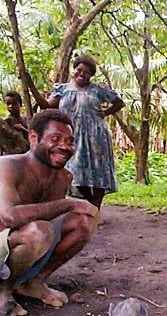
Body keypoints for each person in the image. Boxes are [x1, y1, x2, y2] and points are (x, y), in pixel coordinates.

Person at [0, 109, 99, 316]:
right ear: (33, 138)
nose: (64, 146)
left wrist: (75, 209)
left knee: (83, 221)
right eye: (55, 139)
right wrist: (69, 204)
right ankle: (1, 292)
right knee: (40, 231)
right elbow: (9, 216)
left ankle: (33, 283)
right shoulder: (5, 166)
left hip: (18, 248)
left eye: (70, 141)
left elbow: (51, 218)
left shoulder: (62, 177)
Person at [31, 54, 125, 209]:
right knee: (74, 172)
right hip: (72, 137)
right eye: (79, 70)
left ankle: (95, 209)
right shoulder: (63, 90)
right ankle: (89, 204)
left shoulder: (98, 90)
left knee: (98, 171)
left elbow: (119, 103)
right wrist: (30, 85)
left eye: (86, 72)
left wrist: (106, 112)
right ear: (74, 70)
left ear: (91, 75)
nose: (81, 74)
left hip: (96, 137)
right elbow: (46, 105)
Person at [0, 91, 29, 156]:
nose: (11, 106)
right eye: (8, 104)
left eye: (14, 103)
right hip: (13, 155)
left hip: (27, 152)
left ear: (20, 104)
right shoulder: (7, 122)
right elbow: (1, 142)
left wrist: (23, 129)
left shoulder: (25, 119)